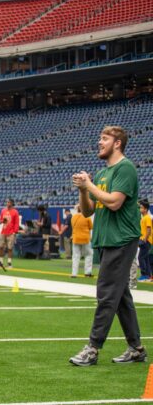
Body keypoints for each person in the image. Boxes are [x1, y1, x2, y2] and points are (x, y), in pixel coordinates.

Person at [69, 125, 146, 366]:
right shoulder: (102, 174)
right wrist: (84, 189)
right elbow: (87, 210)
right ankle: (136, 348)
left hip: (121, 239)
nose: (99, 142)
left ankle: (93, 348)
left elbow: (114, 202)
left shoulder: (126, 168)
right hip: (107, 240)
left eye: (104, 139)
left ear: (118, 143)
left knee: (106, 293)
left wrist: (89, 185)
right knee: (120, 296)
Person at [70, 204, 93, 278]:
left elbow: (73, 227)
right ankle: (87, 272)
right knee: (89, 255)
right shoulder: (87, 217)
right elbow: (91, 227)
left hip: (76, 238)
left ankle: (74, 273)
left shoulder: (73, 217)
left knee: (75, 256)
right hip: (85, 238)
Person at [0, 198, 19, 268]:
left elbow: (16, 223)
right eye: (7, 202)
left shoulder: (15, 212)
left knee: (10, 248)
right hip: (3, 231)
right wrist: (2, 221)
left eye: (9, 202)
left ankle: (9, 263)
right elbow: (0, 221)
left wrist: (14, 232)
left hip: (11, 232)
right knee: (1, 246)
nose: (7, 203)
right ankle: (0, 262)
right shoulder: (3, 211)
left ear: (12, 203)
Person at [138, 199, 152, 281]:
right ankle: (148, 275)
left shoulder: (147, 218)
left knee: (141, 257)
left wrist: (145, 239)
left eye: (141, 208)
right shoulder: (144, 218)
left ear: (146, 209)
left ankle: (144, 275)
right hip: (145, 240)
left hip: (146, 240)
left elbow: (149, 229)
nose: (140, 209)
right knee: (145, 258)